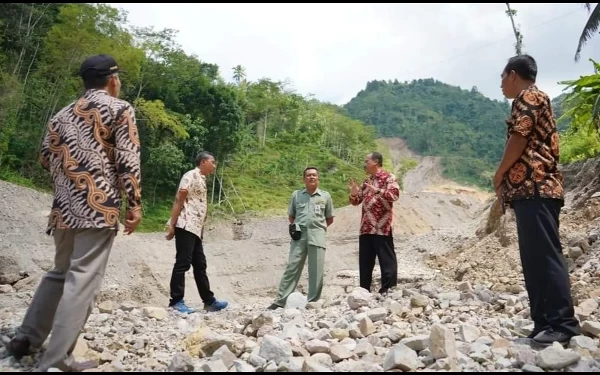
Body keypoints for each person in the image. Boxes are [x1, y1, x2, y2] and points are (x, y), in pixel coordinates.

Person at [6, 54, 143, 371]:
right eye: (118, 78)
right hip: (98, 207)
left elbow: (45, 157)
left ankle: (26, 339)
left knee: (59, 273)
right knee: (81, 280)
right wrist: (134, 203)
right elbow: (128, 159)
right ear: (112, 80)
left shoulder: (61, 115)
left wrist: (70, 178)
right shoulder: (120, 109)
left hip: (64, 209)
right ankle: (56, 361)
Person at [495, 54, 581, 346]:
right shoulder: (527, 98)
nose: (501, 84)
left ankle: (563, 323)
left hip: (538, 188)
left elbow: (519, 138)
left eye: (502, 77)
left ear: (513, 74)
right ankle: (544, 322)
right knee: (533, 260)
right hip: (530, 192)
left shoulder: (529, 97)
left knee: (545, 256)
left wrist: (499, 173)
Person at [165, 151, 228, 313]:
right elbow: (179, 199)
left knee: (200, 264)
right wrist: (172, 224)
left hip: (195, 229)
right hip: (186, 225)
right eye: (212, 162)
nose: (214, 166)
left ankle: (209, 301)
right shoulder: (190, 175)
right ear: (203, 162)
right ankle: (176, 301)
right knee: (182, 263)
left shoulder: (201, 178)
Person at [268, 167, 334, 310]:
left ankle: (312, 300)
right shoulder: (297, 195)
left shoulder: (325, 196)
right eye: (309, 175)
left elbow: (329, 219)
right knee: (292, 267)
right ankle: (280, 301)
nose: (312, 177)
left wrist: (317, 227)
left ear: (318, 178)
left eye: (314, 175)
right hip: (299, 236)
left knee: (316, 269)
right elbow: (291, 216)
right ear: (304, 179)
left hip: (317, 236)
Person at [348, 152, 400, 294]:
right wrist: (353, 193)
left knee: (386, 259)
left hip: (382, 226)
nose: (365, 164)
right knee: (365, 261)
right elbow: (356, 201)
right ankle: (364, 290)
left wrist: (377, 190)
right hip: (366, 227)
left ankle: (388, 289)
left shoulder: (389, 177)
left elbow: (394, 195)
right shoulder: (366, 181)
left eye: (367, 161)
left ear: (376, 162)